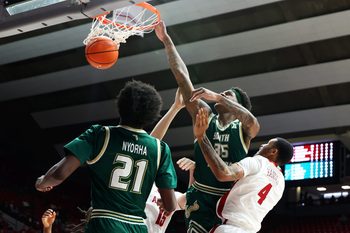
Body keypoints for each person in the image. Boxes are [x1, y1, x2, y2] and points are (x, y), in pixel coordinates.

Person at [155, 21, 260, 232]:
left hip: (227, 201)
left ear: (237, 105)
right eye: (222, 93)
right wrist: (167, 41)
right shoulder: (206, 116)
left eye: (228, 95)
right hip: (199, 195)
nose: (222, 95)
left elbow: (253, 122)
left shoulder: (244, 128)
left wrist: (216, 96)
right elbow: (183, 79)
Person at [35, 80, 178, 233]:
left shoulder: (101, 135)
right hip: (138, 227)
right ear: (152, 114)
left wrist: (42, 182)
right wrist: (166, 203)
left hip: (105, 223)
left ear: (120, 106)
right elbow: (170, 206)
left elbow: (60, 173)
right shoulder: (160, 148)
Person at [193, 108, 294, 233]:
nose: (262, 145)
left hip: (231, 228)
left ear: (273, 152)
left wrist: (201, 137)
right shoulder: (281, 182)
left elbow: (224, 174)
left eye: (267, 144)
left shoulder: (258, 162)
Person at [146, 89, 195, 233]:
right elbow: (151, 145)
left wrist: (194, 169)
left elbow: (190, 200)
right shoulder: (142, 184)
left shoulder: (171, 196)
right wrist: (175, 108)